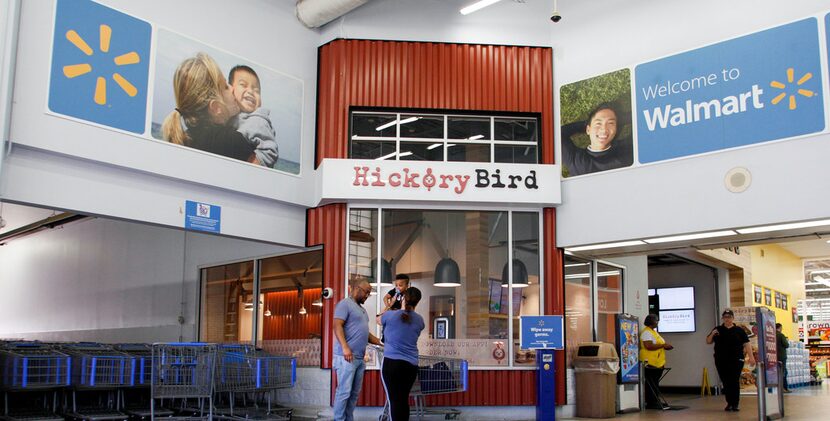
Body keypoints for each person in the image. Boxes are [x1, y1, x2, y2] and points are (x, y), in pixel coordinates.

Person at [161, 53, 258, 163]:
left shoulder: (186, 138)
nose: (233, 88)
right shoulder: (231, 142)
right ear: (216, 108)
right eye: (226, 87)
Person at [333, 279, 382, 421]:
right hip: (346, 357)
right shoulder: (344, 304)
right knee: (344, 392)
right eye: (366, 292)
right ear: (357, 288)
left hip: (359, 358)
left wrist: (381, 342)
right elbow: (337, 326)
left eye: (369, 293)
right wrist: (345, 347)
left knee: (354, 394)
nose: (367, 295)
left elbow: (365, 334)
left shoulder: (362, 309)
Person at [381, 287, 425, 421]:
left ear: (403, 298)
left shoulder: (389, 316)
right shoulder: (420, 321)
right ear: (417, 302)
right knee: (403, 399)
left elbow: (379, 319)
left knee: (394, 400)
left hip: (392, 363)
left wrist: (390, 304)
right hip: (410, 365)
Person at [560, 102, 633, 176]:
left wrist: (620, 120)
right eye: (598, 123)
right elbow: (559, 134)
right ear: (588, 130)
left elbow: (640, 116)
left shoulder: (628, 149)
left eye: (610, 123)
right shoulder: (575, 159)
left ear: (616, 129)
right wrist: (589, 124)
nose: (604, 129)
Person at [228, 65, 279, 168]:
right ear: (230, 88)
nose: (251, 92)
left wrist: (249, 168)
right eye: (243, 85)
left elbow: (270, 152)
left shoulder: (258, 121)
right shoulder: (229, 115)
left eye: (256, 91)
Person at [706, 309, 755, 412]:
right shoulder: (718, 329)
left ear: (733, 318)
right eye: (725, 317)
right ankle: (729, 402)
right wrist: (712, 334)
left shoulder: (739, 330)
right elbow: (708, 341)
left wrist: (751, 357)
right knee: (725, 381)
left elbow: (747, 344)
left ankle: (735, 403)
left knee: (734, 381)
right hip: (721, 360)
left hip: (736, 360)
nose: (727, 319)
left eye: (729, 317)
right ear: (722, 318)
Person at [639, 314, 673, 409]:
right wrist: (663, 345)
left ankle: (655, 400)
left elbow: (658, 344)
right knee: (651, 383)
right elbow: (648, 346)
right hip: (649, 362)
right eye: (656, 320)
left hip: (657, 362)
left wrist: (665, 346)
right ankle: (651, 402)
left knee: (655, 383)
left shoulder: (653, 332)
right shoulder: (646, 333)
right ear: (651, 321)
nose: (658, 322)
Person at [776, 323, 791, 392]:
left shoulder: (771, 334)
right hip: (781, 356)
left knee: (777, 372)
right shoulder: (781, 335)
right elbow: (786, 345)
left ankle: (780, 388)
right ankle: (784, 388)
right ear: (780, 327)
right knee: (783, 372)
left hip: (773, 356)